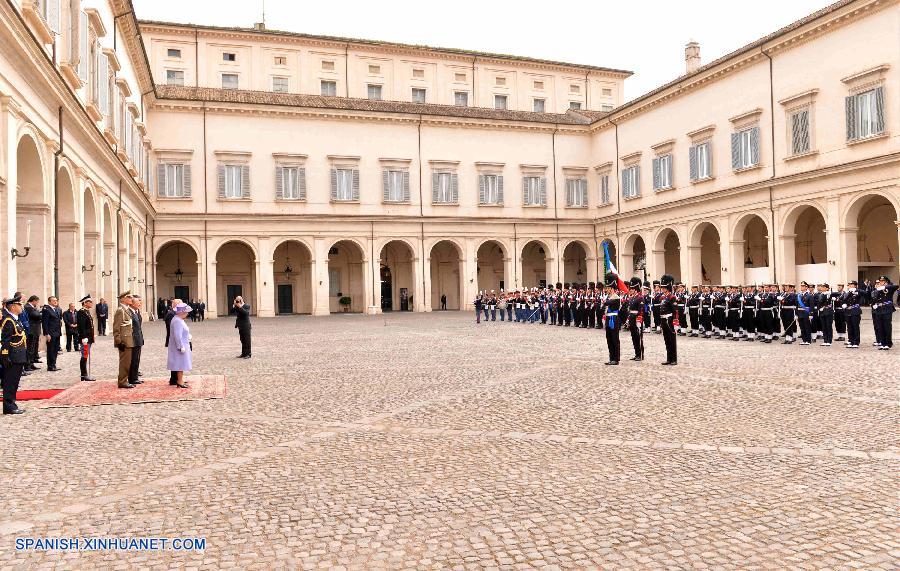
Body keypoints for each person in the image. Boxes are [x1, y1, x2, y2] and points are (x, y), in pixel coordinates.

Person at [1, 295, 28, 414]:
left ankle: (12, 404)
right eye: (19, 305)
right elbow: (5, 340)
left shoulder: (15, 319)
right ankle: (8, 406)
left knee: (14, 382)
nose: (21, 307)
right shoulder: (8, 320)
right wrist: (5, 356)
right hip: (12, 356)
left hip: (19, 355)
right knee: (9, 382)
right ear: (12, 307)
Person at [112, 291, 136, 389]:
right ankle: (122, 382)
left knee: (127, 362)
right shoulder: (120, 310)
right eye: (129, 297)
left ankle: (124, 380)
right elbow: (116, 328)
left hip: (129, 340)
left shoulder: (127, 310)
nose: (131, 298)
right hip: (124, 341)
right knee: (124, 363)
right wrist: (119, 342)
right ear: (123, 299)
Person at [167, 303, 193, 388]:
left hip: (184, 343)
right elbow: (177, 335)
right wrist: (180, 346)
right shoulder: (177, 320)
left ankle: (180, 380)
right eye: (186, 312)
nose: (187, 313)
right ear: (181, 312)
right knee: (180, 364)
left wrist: (188, 335)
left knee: (181, 363)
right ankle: (180, 381)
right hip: (180, 346)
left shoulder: (179, 319)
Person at [871, 275, 898, 350]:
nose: (881, 283)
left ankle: (888, 343)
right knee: (880, 327)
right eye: (880, 281)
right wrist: (873, 304)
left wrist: (886, 287)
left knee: (887, 327)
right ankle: (882, 343)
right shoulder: (878, 289)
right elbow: (873, 298)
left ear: (886, 282)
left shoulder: (889, 288)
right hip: (879, 309)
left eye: (883, 281)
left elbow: (896, 286)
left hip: (887, 309)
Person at [601, 274, 621, 366]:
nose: (606, 289)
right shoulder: (608, 297)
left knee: (614, 339)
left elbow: (608, 303)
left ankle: (616, 359)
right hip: (608, 319)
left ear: (612, 288)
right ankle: (611, 357)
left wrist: (605, 301)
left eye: (608, 288)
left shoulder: (616, 297)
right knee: (609, 339)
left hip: (614, 319)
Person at [658, 274, 678, 365]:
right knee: (666, 340)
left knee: (672, 340)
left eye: (664, 287)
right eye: (662, 287)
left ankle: (674, 359)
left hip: (669, 320)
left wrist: (675, 321)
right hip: (663, 320)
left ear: (668, 287)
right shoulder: (662, 297)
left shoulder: (672, 297)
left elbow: (675, 311)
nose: (663, 289)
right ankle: (669, 358)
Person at [76, 295, 96, 382]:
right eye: (89, 302)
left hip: (88, 337)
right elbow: (82, 326)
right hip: (85, 338)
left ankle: (85, 374)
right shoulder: (82, 312)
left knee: (86, 355)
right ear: (84, 303)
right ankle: (84, 375)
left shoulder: (87, 312)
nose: (91, 303)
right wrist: (84, 337)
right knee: (84, 355)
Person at [41, 296, 63, 372]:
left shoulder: (57, 309)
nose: (55, 302)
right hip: (51, 333)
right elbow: (45, 323)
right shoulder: (46, 310)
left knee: (56, 349)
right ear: (49, 302)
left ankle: (54, 364)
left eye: (56, 300)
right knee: (51, 349)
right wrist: (46, 334)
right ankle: (50, 366)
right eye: (54, 301)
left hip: (57, 332)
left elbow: (59, 320)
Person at [626, 277, 645, 361]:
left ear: (636, 289)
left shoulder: (640, 297)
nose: (631, 290)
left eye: (632, 289)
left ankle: (640, 355)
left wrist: (639, 320)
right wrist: (628, 319)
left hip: (637, 318)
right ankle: (636, 354)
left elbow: (641, 310)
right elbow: (630, 310)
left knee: (638, 337)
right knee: (633, 337)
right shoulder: (632, 297)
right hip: (632, 318)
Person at [165, 298, 182, 385]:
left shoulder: (173, 313)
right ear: (176, 305)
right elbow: (173, 329)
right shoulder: (171, 314)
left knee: (176, 359)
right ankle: (174, 379)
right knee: (175, 359)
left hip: (174, 339)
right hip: (173, 340)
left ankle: (176, 378)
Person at [129, 295, 145, 385]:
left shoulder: (135, 312)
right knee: (133, 359)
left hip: (138, 338)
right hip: (133, 339)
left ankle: (135, 377)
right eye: (138, 302)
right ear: (133, 304)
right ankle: (132, 378)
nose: (139, 303)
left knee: (136, 359)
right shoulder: (130, 313)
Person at [24, 295, 42, 371]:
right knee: (30, 349)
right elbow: (36, 315)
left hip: (34, 330)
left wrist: (38, 312)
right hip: (31, 330)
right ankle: (28, 365)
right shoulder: (28, 307)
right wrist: (39, 313)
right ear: (33, 300)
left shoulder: (32, 307)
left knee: (33, 348)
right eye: (37, 301)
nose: (37, 303)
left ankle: (31, 363)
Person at [844, 281, 862, 348]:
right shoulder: (848, 293)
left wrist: (856, 290)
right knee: (849, 327)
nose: (850, 286)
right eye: (850, 285)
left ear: (855, 286)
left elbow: (865, 293)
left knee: (855, 327)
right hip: (848, 311)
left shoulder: (858, 292)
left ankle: (856, 342)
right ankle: (851, 341)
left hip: (855, 311)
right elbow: (844, 299)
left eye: (852, 285)